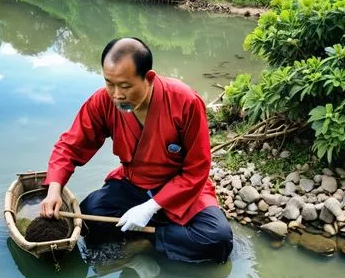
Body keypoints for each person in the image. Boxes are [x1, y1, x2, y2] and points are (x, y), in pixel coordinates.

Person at [40, 37, 233, 263]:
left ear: (148, 78)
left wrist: (150, 208)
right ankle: (167, 235)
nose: (116, 95)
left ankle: (145, 243)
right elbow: (71, 145)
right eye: (109, 83)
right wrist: (54, 189)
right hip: (134, 184)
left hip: (182, 190)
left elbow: (196, 170)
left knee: (217, 239)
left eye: (125, 86)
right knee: (89, 217)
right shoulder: (104, 101)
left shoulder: (185, 102)